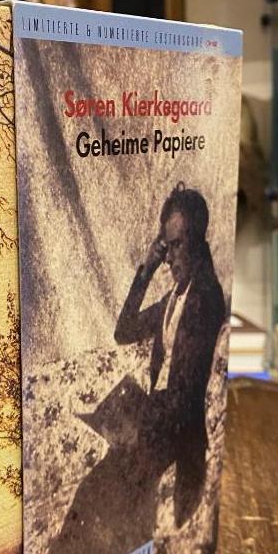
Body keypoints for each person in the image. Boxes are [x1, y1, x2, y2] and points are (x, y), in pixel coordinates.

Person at [115, 183, 227, 527]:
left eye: (176, 245)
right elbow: (124, 331)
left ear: (197, 243)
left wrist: (143, 417)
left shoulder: (205, 296)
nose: (168, 258)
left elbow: (184, 395)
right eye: (166, 247)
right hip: (159, 428)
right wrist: (146, 270)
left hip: (182, 440)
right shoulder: (174, 299)